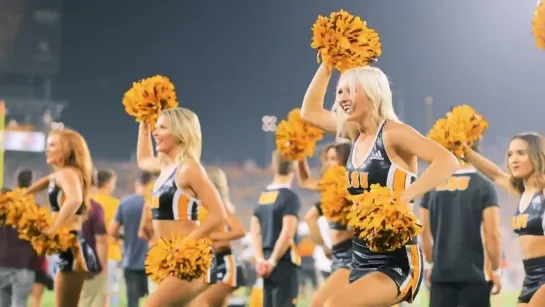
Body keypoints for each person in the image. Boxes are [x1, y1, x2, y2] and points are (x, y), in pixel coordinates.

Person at [300, 64, 459, 306]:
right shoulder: (354, 133)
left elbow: (447, 161)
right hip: (361, 254)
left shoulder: (393, 133)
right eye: (339, 92)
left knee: (334, 305)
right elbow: (309, 112)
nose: (342, 98)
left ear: (373, 93)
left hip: (395, 257)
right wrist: (327, 64)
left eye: (350, 91)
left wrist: (404, 197)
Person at [136, 107, 227, 306]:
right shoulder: (165, 167)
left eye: (162, 128)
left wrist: (184, 244)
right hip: (170, 259)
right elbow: (143, 160)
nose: (155, 132)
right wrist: (144, 121)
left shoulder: (189, 168)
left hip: (190, 260)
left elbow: (218, 214)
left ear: (179, 133)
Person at [464, 132, 545, 306]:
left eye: (521, 153)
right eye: (510, 154)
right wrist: (466, 151)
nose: (513, 159)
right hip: (530, 278)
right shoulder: (523, 192)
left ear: (537, 156)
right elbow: (495, 174)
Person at [24, 129, 101, 307]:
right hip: (70, 245)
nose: (47, 149)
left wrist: (53, 228)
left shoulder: (67, 173)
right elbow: (46, 180)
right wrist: (22, 195)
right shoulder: (65, 173)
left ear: (67, 149)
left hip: (71, 246)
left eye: (52, 145)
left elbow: (75, 199)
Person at [419, 143, 502, 307]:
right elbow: (492, 234)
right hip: (474, 276)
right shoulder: (484, 186)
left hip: (441, 276)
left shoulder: (431, 186)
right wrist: (496, 270)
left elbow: (424, 232)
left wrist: (430, 264)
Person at [298, 142, 352, 307]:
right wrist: (300, 155)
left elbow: (367, 222)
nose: (328, 163)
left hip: (353, 256)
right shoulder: (330, 187)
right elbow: (305, 181)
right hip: (338, 256)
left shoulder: (353, 185)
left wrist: (347, 234)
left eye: (333, 159)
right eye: (326, 159)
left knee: (319, 303)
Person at [250, 151, 302, 307]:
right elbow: (287, 234)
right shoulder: (289, 197)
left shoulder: (262, 197)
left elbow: (255, 231)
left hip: (264, 263)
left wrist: (260, 261)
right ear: (294, 168)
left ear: (274, 166)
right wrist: (272, 262)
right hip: (283, 261)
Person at [191, 167, 247, 306]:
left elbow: (239, 231)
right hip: (212, 264)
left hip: (226, 264)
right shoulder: (203, 206)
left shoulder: (220, 205)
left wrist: (214, 237)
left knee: (201, 302)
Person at [109, 172, 153, 307]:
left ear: (137, 184)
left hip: (131, 261)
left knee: (132, 303)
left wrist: (126, 237)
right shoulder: (156, 203)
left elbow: (112, 231)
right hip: (154, 262)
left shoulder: (125, 203)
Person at [0, 170, 42, 307]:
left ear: (16, 183)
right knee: (20, 303)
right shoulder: (35, 209)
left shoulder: (4, 207)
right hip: (24, 263)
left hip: (2, 262)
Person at [92, 169, 122, 307]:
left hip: (89, 254)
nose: (114, 186)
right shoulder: (116, 204)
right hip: (110, 253)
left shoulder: (88, 202)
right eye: (113, 183)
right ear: (108, 183)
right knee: (108, 293)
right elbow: (116, 231)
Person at [79, 192, 108, 307]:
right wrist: (102, 265)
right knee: (92, 300)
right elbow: (100, 240)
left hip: (66, 263)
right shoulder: (94, 208)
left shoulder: (63, 205)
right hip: (89, 262)